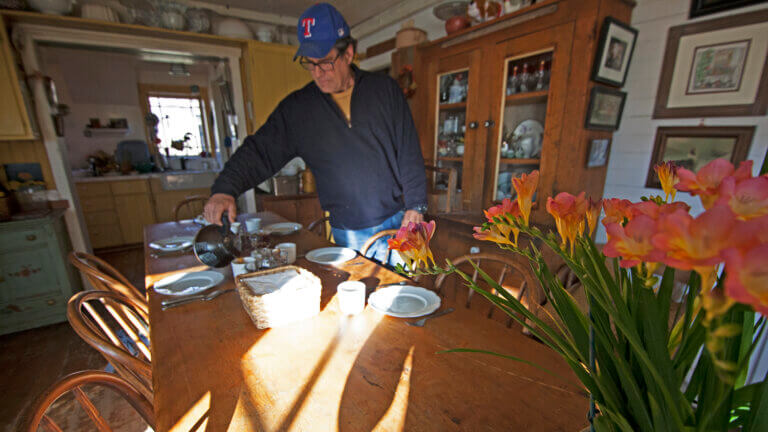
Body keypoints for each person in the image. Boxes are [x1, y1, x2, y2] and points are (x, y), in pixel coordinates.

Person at [204, 3, 427, 261]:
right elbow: (260, 151)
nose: (318, 73)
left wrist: (417, 205)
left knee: (407, 291)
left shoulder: (384, 90)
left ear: (349, 53)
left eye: (325, 62)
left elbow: (409, 152)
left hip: (400, 219)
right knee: (363, 295)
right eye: (310, 64)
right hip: (349, 231)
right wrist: (225, 189)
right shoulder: (299, 109)